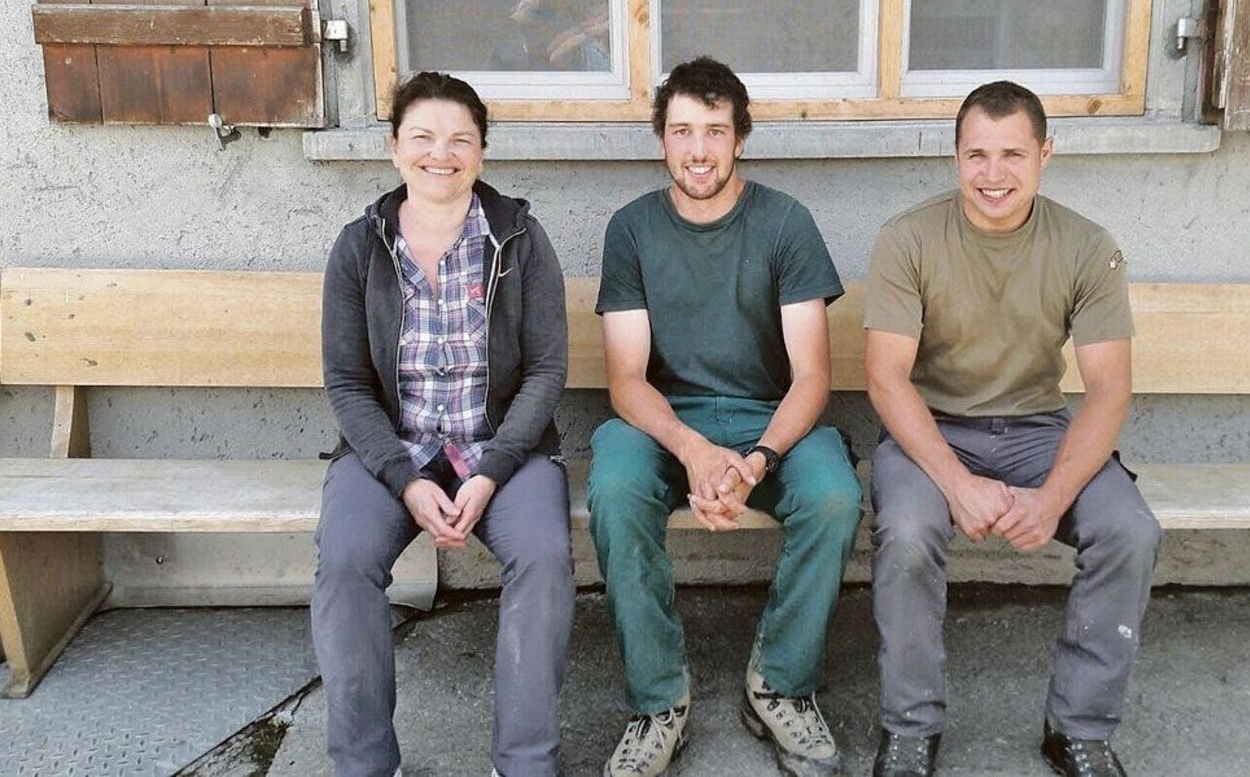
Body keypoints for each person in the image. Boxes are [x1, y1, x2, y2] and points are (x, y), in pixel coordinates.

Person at [864, 81, 1161, 777]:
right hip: (932, 430)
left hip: (1037, 430)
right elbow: (886, 377)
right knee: (908, 533)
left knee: (1130, 529)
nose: (992, 174)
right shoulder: (907, 238)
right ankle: (910, 728)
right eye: (976, 155)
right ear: (955, 157)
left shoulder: (1086, 246)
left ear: (1045, 154)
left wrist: (1052, 496)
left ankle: (1079, 728)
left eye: (1011, 155)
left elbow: (1109, 389)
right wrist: (958, 483)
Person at [587, 56, 862, 777]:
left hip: (769, 422)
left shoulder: (784, 222)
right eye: (682, 130)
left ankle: (779, 682)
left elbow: (813, 377)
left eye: (715, 130)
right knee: (614, 485)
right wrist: (693, 450)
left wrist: (758, 459)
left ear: (741, 138)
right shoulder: (632, 229)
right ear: (661, 139)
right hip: (664, 424)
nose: (698, 149)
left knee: (834, 494)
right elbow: (624, 380)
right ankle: (658, 700)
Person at [313, 71, 574, 777]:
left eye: (461, 139)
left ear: (482, 154)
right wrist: (402, 479)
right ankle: (366, 764)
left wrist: (491, 472)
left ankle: (524, 762)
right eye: (423, 137)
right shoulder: (360, 247)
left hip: (503, 451)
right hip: (391, 452)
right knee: (344, 562)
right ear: (395, 148)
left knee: (544, 558)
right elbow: (346, 380)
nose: (442, 153)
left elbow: (548, 370)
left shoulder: (519, 239)